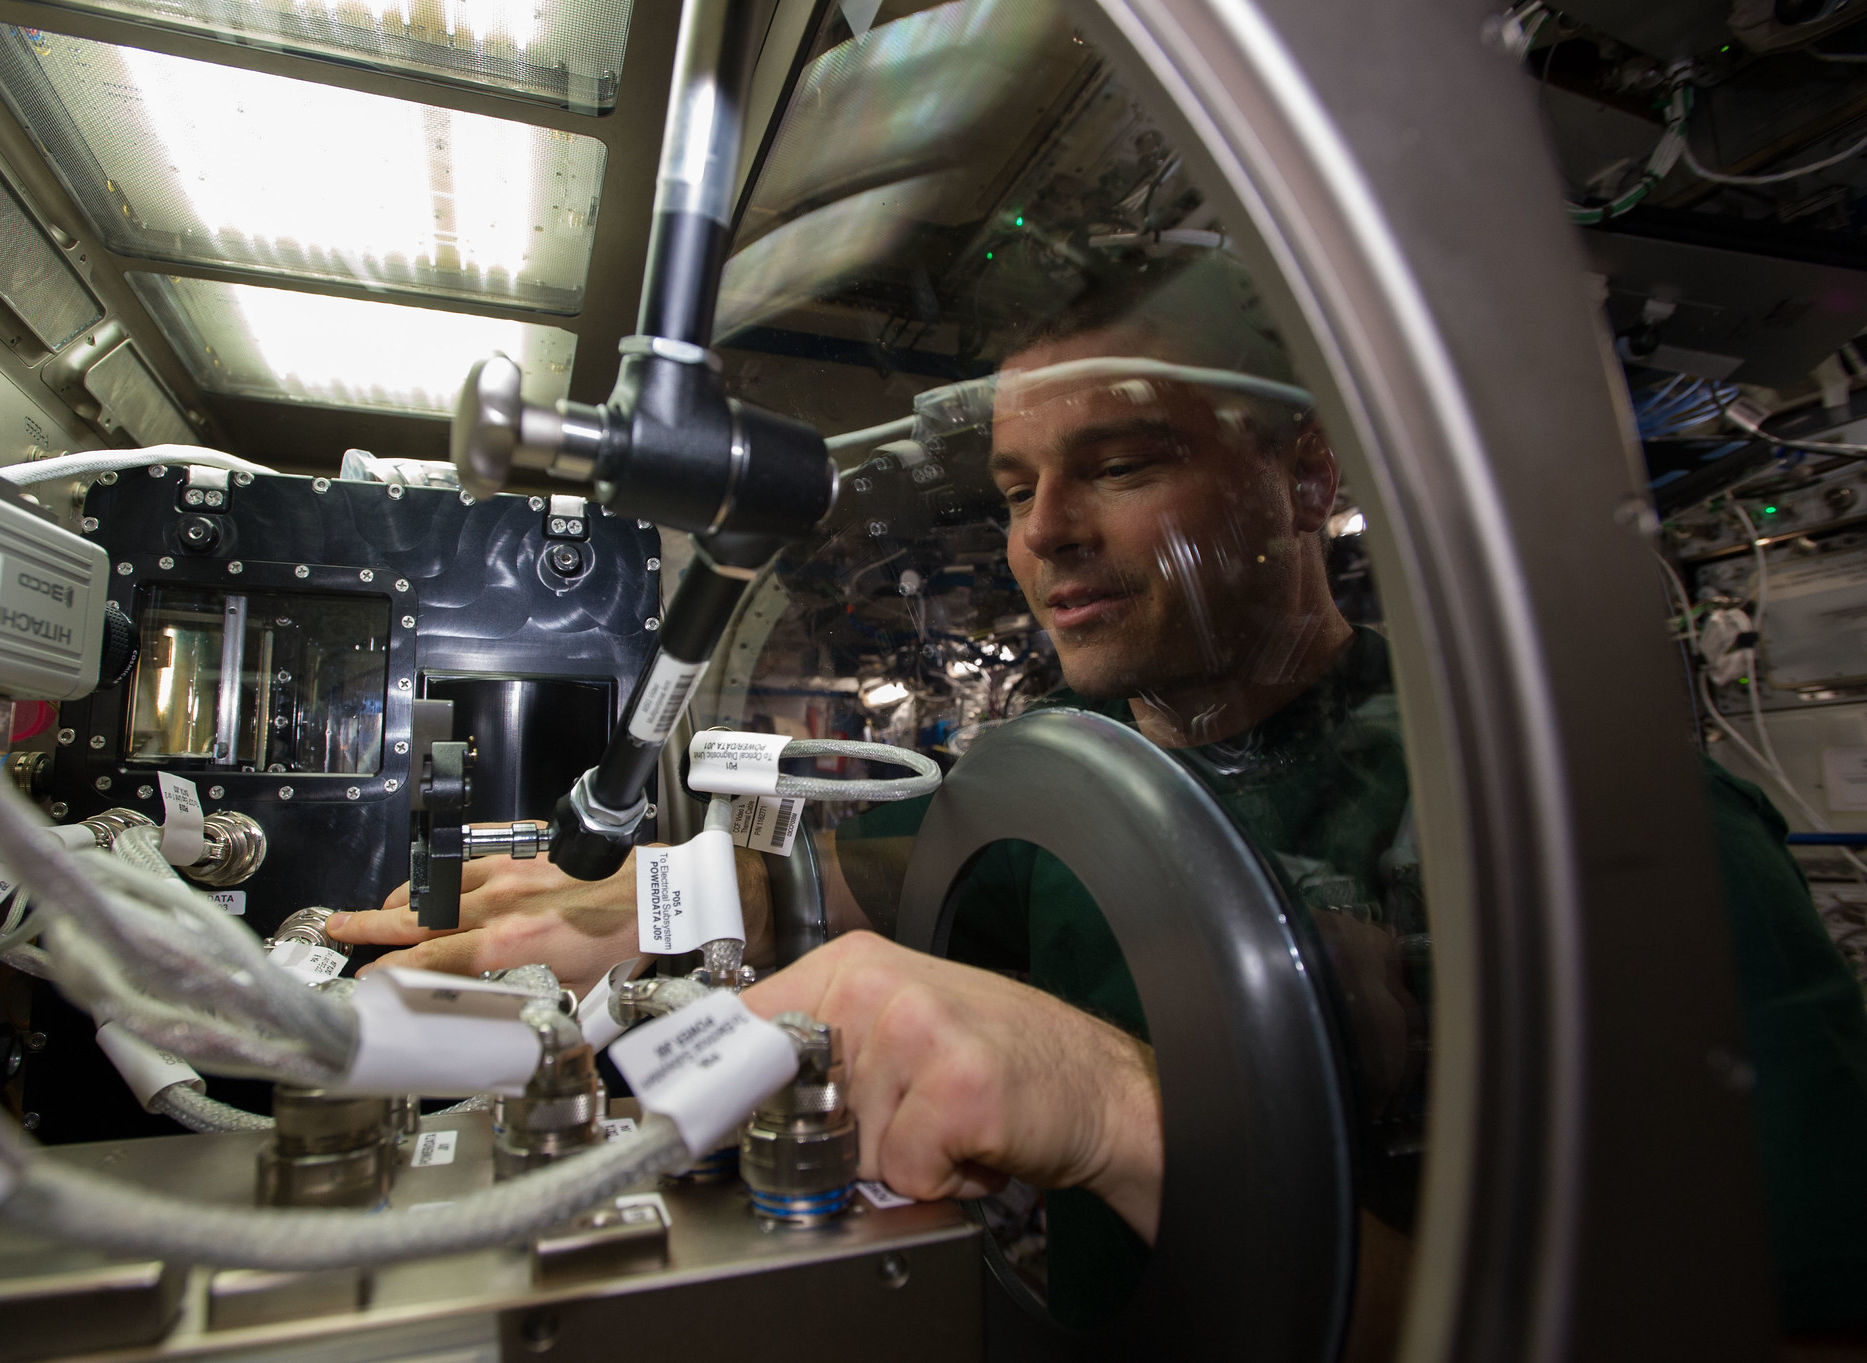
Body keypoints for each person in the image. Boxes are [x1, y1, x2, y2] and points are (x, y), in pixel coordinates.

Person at [329, 252, 1867, 1338]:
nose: (1046, 535)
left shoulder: (1593, 831)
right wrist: (610, 910)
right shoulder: (1065, 782)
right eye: (1013, 491)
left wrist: (1117, 1108)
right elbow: (830, 887)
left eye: (1122, 465)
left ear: (1307, 476)